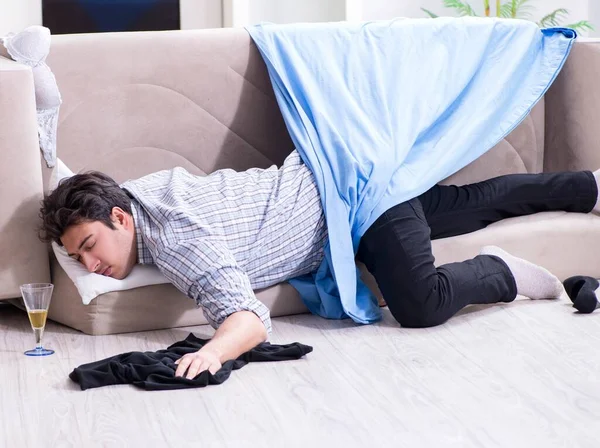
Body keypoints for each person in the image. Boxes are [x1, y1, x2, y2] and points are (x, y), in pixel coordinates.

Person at [39, 150, 600, 379]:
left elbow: (250, 320)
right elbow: (55, 160)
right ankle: (588, 187)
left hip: (353, 201)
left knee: (420, 303)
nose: (91, 263)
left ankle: (500, 271)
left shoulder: (177, 238)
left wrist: (210, 354)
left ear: (121, 217)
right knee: (465, 204)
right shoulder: (133, 194)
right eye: (77, 257)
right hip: (337, 178)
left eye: (91, 244)